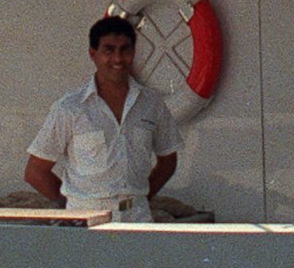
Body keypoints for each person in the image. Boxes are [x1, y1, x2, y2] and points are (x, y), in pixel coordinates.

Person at [24, 15, 180, 223]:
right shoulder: (70, 108)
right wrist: (73, 205)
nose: (118, 58)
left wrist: (140, 197)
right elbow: (36, 171)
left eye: (125, 49)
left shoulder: (152, 104)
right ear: (93, 54)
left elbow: (168, 160)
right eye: (109, 50)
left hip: (137, 219)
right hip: (86, 222)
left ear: (133, 53)